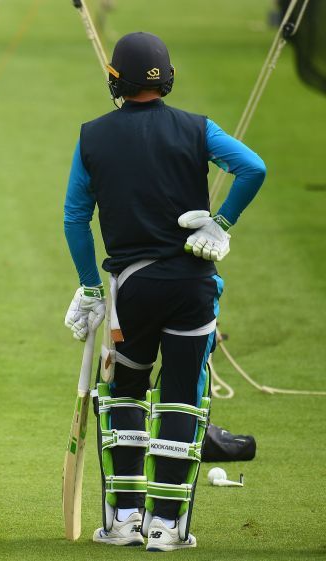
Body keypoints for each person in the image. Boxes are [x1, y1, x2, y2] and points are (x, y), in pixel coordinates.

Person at [62, 32, 265, 551]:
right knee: (181, 398)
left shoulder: (92, 137)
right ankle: (167, 528)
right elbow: (252, 167)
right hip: (192, 286)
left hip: (130, 292)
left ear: (116, 80)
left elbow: (74, 220)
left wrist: (90, 288)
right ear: (167, 78)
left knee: (125, 395)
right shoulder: (198, 128)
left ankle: (123, 521)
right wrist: (221, 223)